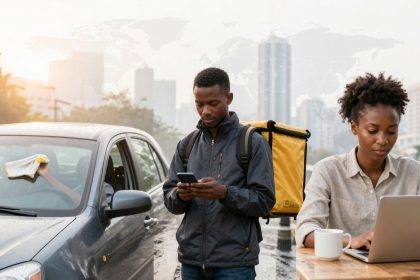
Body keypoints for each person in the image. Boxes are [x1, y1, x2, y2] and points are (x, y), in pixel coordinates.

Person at [163, 67, 275, 280]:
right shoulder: (186, 145)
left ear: (229, 98)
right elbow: (169, 199)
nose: (205, 111)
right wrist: (180, 196)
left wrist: (224, 193)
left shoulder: (252, 143)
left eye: (213, 104)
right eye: (199, 104)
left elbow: (264, 201)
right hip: (191, 262)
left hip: (235, 265)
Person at [296, 73, 420, 249]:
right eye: (372, 130)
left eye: (391, 131)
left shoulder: (414, 172)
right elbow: (305, 232)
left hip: (400, 270)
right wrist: (351, 241)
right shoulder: (328, 171)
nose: (383, 140)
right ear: (354, 128)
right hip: (343, 270)